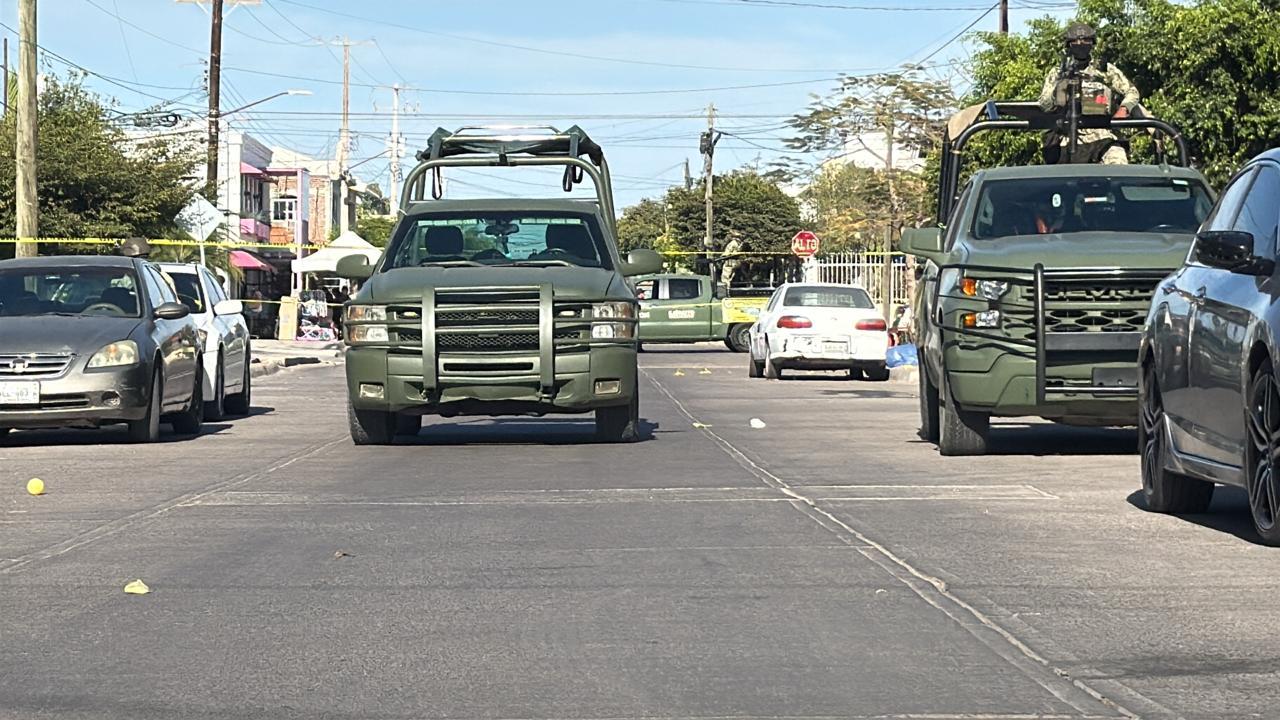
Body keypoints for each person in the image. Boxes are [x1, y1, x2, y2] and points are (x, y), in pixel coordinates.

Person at [1038, 22, 1140, 165]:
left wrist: (1124, 109)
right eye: (1076, 41)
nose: (1081, 44)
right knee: (1063, 176)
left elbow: (1132, 92)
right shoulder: (1058, 73)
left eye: (1086, 40)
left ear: (1092, 43)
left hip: (1103, 135)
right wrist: (1059, 90)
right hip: (1067, 137)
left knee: (1118, 164)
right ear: (1069, 45)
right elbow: (1044, 104)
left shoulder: (1105, 70)